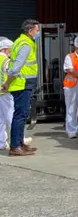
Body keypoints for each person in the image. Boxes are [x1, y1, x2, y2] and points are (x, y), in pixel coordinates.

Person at [3, 19, 40, 157]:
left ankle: (19, 143)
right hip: (22, 84)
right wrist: (8, 82)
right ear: (30, 31)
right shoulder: (25, 44)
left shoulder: (21, 41)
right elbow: (15, 68)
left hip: (23, 83)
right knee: (20, 115)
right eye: (37, 30)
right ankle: (15, 146)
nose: (38, 32)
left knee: (22, 115)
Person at [0, 38, 14, 150]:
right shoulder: (6, 60)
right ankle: (19, 140)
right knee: (11, 116)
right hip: (5, 91)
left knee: (0, 119)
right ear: (5, 49)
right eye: (10, 50)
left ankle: (1, 143)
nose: (11, 52)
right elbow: (11, 74)